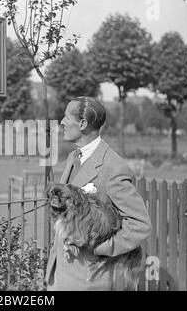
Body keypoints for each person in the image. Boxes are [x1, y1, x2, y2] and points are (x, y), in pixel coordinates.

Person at [45, 96, 152, 290]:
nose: (62, 122)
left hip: (89, 281)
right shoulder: (73, 157)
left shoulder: (112, 167)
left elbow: (140, 225)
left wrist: (99, 248)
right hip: (61, 275)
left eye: (66, 117)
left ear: (83, 123)